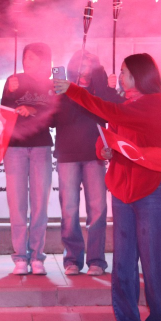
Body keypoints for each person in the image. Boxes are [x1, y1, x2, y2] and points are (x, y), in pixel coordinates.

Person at [55, 53, 161, 321]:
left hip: (149, 190)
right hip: (122, 190)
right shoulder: (128, 103)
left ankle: (158, 316)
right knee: (123, 263)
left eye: (123, 72)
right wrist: (104, 150)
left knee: (154, 262)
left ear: (139, 75)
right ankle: (126, 317)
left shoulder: (156, 103)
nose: (119, 76)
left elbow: (112, 113)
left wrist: (74, 90)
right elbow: (108, 137)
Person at [53, 50, 121, 276]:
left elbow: (114, 110)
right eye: (81, 63)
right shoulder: (64, 87)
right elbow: (54, 119)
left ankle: (96, 260)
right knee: (69, 210)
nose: (85, 68)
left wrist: (105, 83)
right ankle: (72, 259)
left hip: (95, 155)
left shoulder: (100, 87)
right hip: (67, 155)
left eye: (90, 63)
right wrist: (60, 92)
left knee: (98, 210)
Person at [1, 42, 56, 275]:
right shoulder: (13, 80)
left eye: (33, 58)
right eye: (26, 58)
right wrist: (9, 91)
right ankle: (19, 258)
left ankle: (37, 257)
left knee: (40, 203)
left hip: (41, 147)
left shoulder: (50, 84)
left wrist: (33, 111)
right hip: (14, 148)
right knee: (17, 204)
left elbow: (54, 116)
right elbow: (2, 110)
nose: (27, 62)